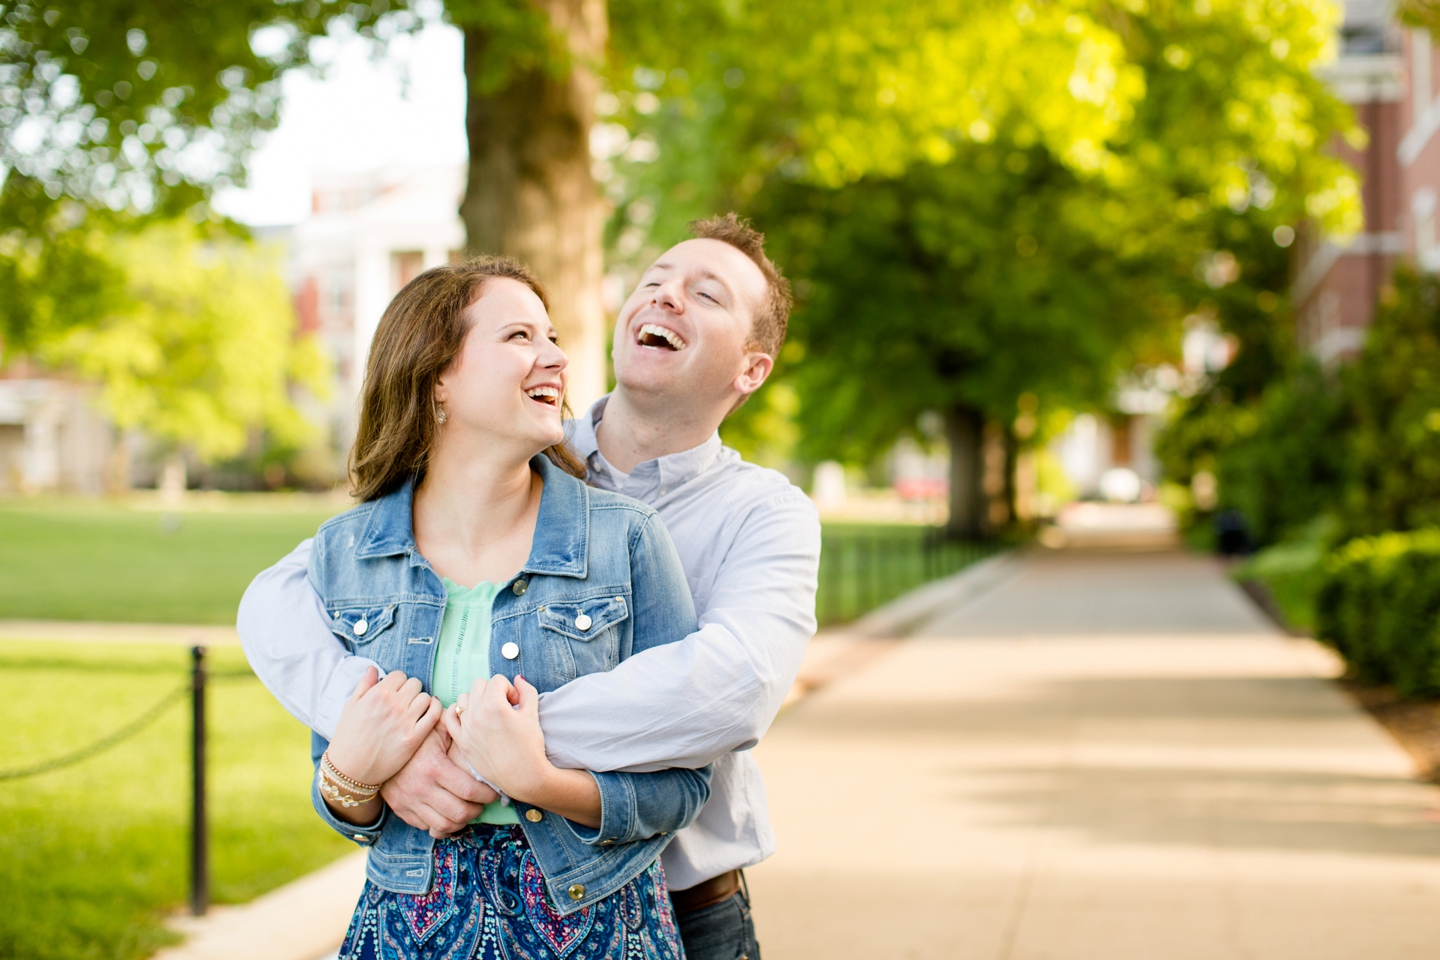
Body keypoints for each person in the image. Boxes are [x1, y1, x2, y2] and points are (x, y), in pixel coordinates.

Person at [240, 214, 821, 960]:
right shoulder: (515, 449)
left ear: (750, 369)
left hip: (673, 905)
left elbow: (734, 687)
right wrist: (376, 753)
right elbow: (282, 597)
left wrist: (496, 746)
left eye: (706, 295)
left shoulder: (760, 514)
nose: (666, 297)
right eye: (653, 281)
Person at [306, 256, 710, 958]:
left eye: (553, 338)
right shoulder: (346, 552)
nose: (555, 358)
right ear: (437, 378)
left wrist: (541, 783)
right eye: (521, 337)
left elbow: (685, 779)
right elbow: (341, 790)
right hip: (406, 931)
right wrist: (350, 774)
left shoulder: (625, 540)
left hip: (596, 927)